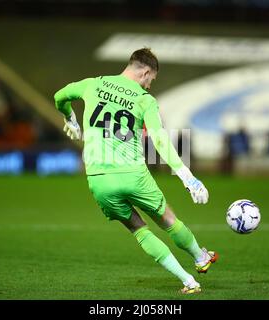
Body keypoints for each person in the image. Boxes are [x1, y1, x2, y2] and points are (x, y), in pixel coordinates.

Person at [53, 48, 217, 294]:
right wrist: (187, 176)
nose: (150, 85)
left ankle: (188, 281)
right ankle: (199, 257)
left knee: (138, 229)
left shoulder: (93, 84)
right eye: (152, 80)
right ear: (147, 71)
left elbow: (59, 96)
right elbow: (159, 140)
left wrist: (70, 119)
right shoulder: (144, 100)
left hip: (99, 179)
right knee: (168, 219)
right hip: (133, 174)